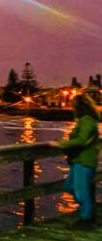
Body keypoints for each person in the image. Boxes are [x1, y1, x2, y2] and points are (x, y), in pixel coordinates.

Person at [50, 93, 100, 229]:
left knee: (80, 190)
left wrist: (61, 144)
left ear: (79, 107)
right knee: (70, 186)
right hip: (79, 160)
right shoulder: (85, 120)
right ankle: (88, 211)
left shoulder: (87, 121)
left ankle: (86, 219)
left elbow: (82, 140)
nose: (72, 108)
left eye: (74, 105)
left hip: (84, 160)